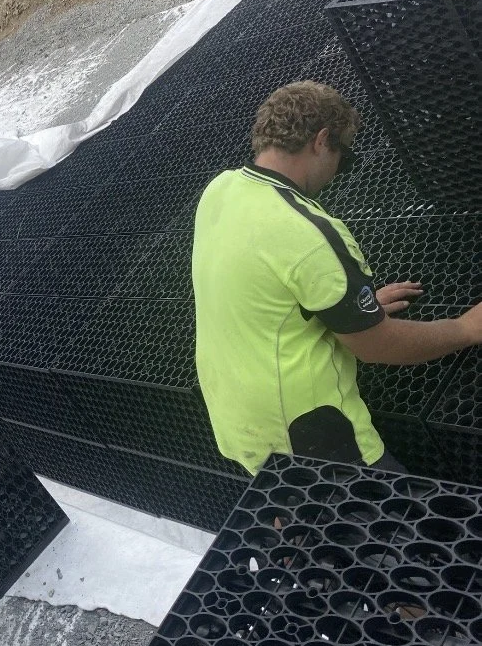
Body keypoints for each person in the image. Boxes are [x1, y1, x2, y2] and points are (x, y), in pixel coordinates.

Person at [191, 81, 482, 475]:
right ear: (322, 140)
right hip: (312, 436)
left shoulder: (221, 190)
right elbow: (376, 346)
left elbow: (265, 286)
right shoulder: (308, 232)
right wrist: (465, 328)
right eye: (344, 155)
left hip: (241, 421)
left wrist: (349, 307)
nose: (340, 170)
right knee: (403, 524)